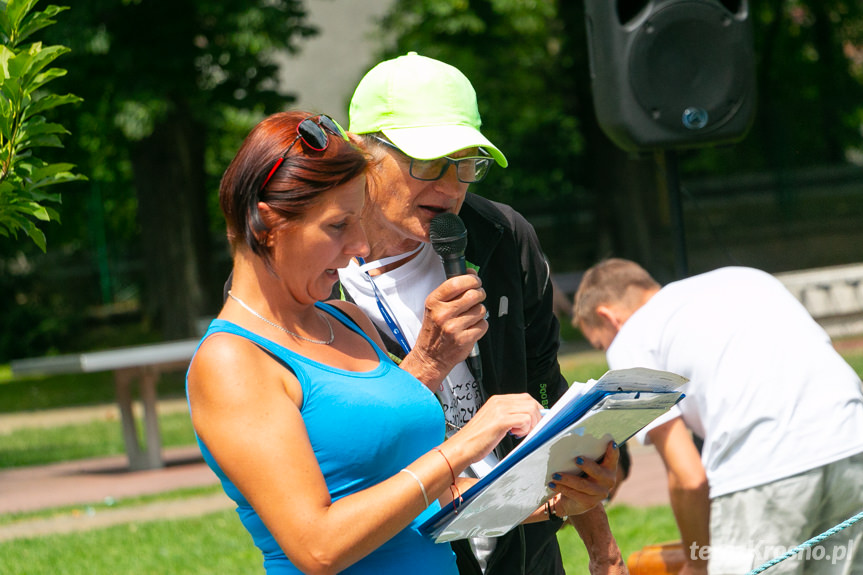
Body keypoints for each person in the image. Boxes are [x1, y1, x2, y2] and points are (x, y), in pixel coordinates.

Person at [188, 111, 617, 575]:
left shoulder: (349, 322)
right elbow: (318, 548)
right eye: (337, 226)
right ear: (266, 224)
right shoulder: (232, 360)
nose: (358, 246)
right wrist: (465, 445)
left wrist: (556, 500)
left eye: (357, 221)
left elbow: (425, 504)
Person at [332, 52, 626, 575]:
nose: (450, 188)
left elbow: (543, 390)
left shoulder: (502, 236)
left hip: (527, 552)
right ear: (361, 152)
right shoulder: (310, 274)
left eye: (466, 163)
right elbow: (338, 454)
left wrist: (603, 548)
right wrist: (427, 361)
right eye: (427, 162)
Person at [573, 258, 863, 575]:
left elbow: (689, 478)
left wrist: (697, 565)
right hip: (852, 441)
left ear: (608, 317)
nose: (608, 351)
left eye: (601, 343)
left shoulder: (630, 338)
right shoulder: (747, 277)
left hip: (762, 469)